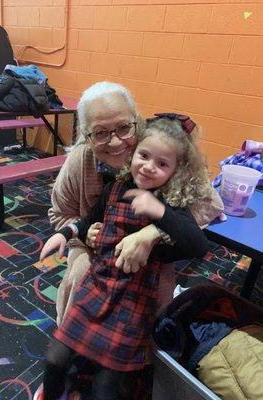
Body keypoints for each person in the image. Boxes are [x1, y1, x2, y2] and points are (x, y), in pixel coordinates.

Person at [39, 115, 211, 400]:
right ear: (133, 153)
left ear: (175, 171)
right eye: (144, 155)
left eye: (162, 164)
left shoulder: (170, 205)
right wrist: (66, 234)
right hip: (97, 287)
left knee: (105, 388)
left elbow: (198, 245)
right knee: (54, 359)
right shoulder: (114, 189)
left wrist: (159, 212)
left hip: (132, 301)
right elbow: (88, 220)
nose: (149, 167)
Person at [48, 82, 224, 327]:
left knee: (158, 289)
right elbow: (60, 212)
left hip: (152, 253)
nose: (115, 142)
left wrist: (152, 233)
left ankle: (143, 351)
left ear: (137, 123)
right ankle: (72, 336)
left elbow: (210, 203)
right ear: (85, 136)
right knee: (81, 273)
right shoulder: (79, 161)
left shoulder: (158, 150)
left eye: (123, 128)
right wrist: (84, 234)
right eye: (100, 132)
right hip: (95, 245)